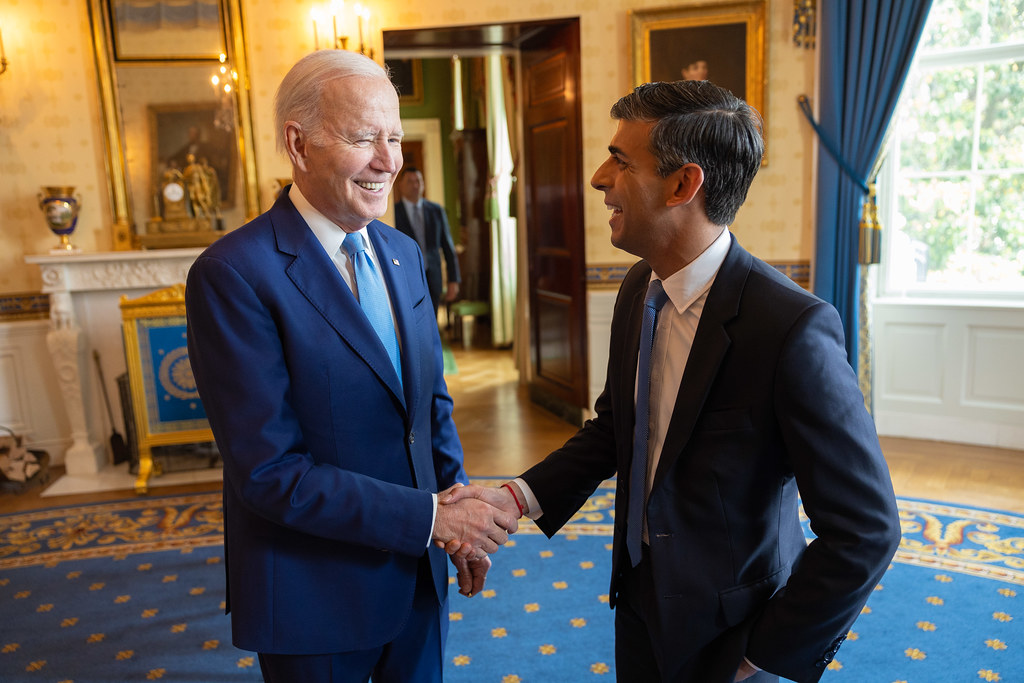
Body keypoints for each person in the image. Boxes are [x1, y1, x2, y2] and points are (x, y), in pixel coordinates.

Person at [444, 80, 902, 683]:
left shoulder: (791, 328)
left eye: (622, 160)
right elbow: (616, 430)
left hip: (733, 631)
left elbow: (867, 528)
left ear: (684, 184)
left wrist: (761, 656)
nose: (599, 177)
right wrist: (514, 499)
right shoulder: (640, 288)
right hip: (638, 601)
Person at [185, 50, 515, 683]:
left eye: (393, 137)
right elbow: (269, 472)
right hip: (316, 595)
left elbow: (429, 406)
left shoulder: (403, 253)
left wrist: (460, 523)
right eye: (364, 138)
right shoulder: (233, 274)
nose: (389, 161)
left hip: (420, 579)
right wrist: (432, 518)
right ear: (298, 143)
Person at [393, 166, 461, 317]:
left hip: (433, 277)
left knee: (433, 322)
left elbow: (448, 247)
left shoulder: (436, 210)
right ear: (400, 185)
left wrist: (453, 280)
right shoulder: (393, 213)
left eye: (418, 181)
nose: (415, 185)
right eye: (410, 181)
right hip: (406, 278)